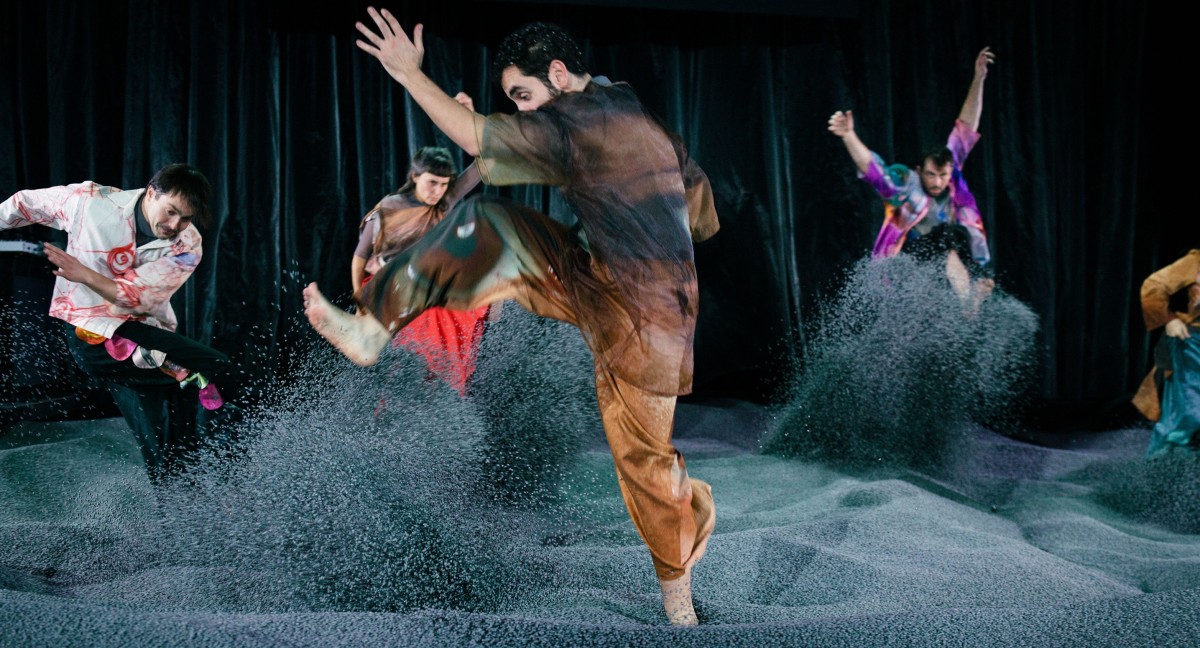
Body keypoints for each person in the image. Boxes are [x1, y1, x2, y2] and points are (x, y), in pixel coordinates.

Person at [304, 11, 718, 625]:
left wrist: (409, 75)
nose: (524, 112)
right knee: (483, 224)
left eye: (524, 96)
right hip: (592, 274)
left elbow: (477, 138)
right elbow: (703, 211)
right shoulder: (624, 102)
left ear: (559, 74)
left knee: (642, 460)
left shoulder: (580, 121)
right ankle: (371, 328)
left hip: (647, 315)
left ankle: (678, 600)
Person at [0, 164, 240, 483]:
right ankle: (236, 464)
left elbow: (135, 297)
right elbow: (24, 203)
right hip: (93, 334)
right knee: (215, 369)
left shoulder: (187, 245)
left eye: (185, 218)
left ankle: (179, 498)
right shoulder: (91, 203)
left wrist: (85, 275)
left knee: (162, 432)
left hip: (141, 335)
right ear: (151, 193)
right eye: (171, 212)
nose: (175, 225)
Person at [828, 47, 996, 301]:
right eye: (931, 175)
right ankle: (963, 305)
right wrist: (849, 135)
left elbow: (966, 127)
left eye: (943, 175)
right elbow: (874, 171)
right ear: (919, 171)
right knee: (945, 240)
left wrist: (979, 77)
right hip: (909, 259)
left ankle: (968, 300)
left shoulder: (953, 176)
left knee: (955, 243)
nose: (937, 182)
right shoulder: (906, 185)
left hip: (948, 261)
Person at [351, 145, 487, 396]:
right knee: (423, 328)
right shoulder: (388, 209)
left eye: (444, 185)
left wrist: (482, 133)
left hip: (426, 282)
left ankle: (443, 392)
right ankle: (406, 392)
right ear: (415, 177)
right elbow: (359, 261)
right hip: (390, 286)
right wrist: (360, 302)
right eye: (432, 183)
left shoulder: (441, 202)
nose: (438, 191)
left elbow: (479, 169)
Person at [1133, 249, 1200, 456]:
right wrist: (1169, 319)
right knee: (1189, 412)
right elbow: (1153, 285)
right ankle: (1165, 464)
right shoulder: (1195, 260)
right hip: (1192, 343)